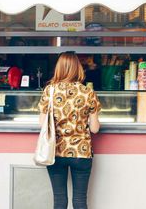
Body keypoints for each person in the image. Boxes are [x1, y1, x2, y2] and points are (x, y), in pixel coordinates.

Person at [38, 52, 101, 209]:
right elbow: (94, 129)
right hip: (81, 152)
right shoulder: (88, 92)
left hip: (56, 152)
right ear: (78, 68)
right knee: (80, 200)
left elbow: (42, 124)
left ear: (59, 68)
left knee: (59, 200)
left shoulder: (49, 91)